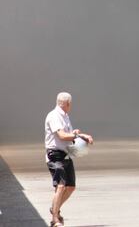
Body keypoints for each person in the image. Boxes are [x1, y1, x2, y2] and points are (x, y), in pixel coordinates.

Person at [44, 92, 93, 227]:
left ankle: (54, 206)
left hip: (66, 154)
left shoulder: (65, 116)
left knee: (70, 187)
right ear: (68, 104)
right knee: (60, 186)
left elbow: (69, 135)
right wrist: (80, 136)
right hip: (54, 155)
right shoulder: (54, 116)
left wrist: (77, 134)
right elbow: (62, 135)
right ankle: (55, 219)